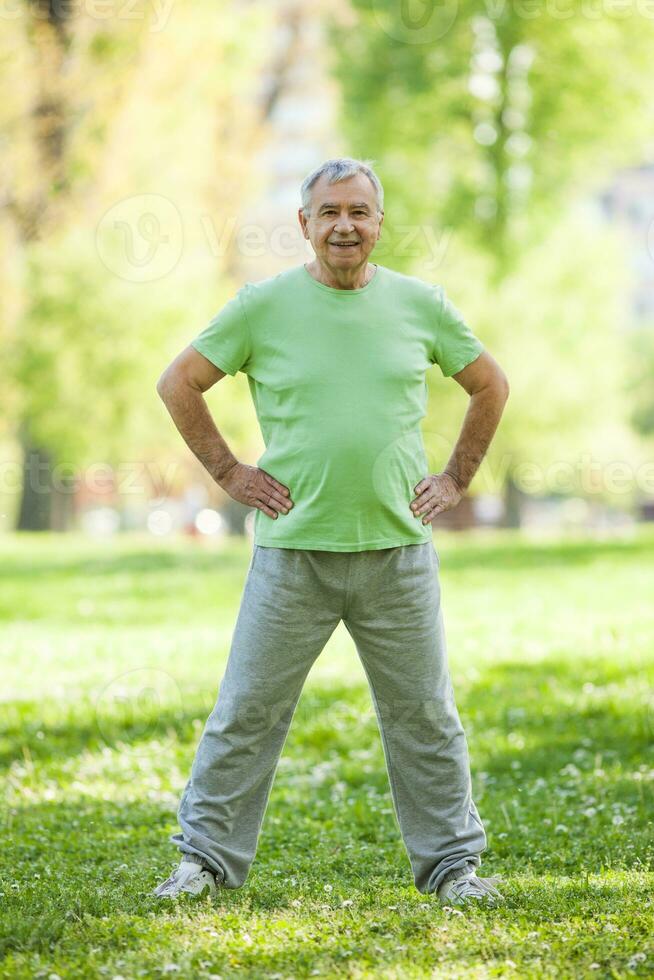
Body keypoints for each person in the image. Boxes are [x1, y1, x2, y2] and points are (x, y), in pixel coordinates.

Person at [153, 157, 509, 907]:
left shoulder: (421, 305)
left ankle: (454, 869)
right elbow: (178, 382)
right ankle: (203, 863)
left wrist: (455, 478)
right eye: (329, 212)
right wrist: (229, 474)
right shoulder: (262, 306)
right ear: (305, 224)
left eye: (359, 211)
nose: (345, 225)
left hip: (397, 555)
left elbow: (489, 386)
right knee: (246, 712)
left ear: (379, 222)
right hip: (293, 556)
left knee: (426, 718)